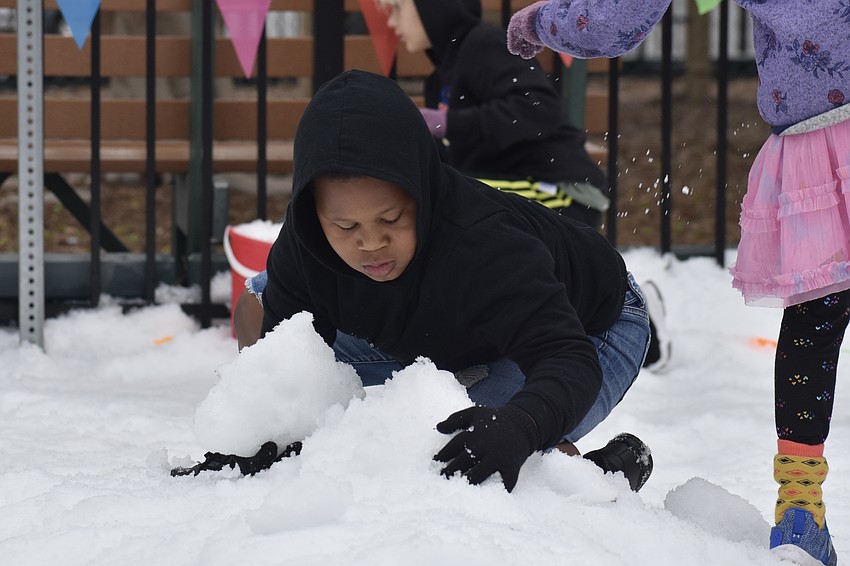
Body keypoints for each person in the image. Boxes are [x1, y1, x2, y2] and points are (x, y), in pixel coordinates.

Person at [200, 69, 654, 494]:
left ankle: (596, 477)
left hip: (589, 327)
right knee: (258, 304)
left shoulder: (484, 245)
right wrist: (268, 439)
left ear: (422, 190)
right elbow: (286, 363)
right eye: (346, 227)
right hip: (443, 328)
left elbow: (566, 357)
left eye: (391, 219)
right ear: (314, 213)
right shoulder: (305, 244)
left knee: (452, 454)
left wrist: (521, 426)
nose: (371, 244)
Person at [507, 2, 846, 564]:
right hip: (817, 139)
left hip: (818, 131)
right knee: (816, 319)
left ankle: (800, 506)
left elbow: (619, 16)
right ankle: (800, 504)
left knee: (817, 320)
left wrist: (542, 22)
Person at [381, 0, 672, 371]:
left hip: (560, 188)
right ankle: (611, 308)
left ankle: (630, 309)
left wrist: (448, 124)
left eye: (397, 8)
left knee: (459, 205)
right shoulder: (444, 73)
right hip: (523, 187)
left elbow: (538, 110)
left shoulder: (483, 46)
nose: (391, 22)